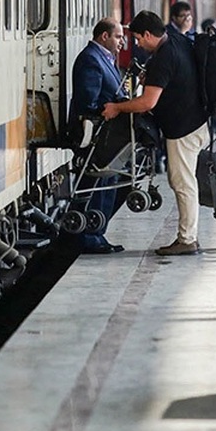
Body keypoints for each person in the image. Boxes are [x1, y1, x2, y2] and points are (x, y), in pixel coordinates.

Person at [101, 10, 207, 256]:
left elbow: (147, 102)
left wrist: (117, 107)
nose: (138, 44)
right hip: (193, 122)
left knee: (182, 183)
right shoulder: (175, 40)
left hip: (183, 129)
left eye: (138, 39)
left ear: (148, 34)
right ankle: (188, 236)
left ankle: (188, 239)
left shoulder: (163, 58)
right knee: (181, 181)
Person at [67, 17, 130, 255]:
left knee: (107, 184)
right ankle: (90, 237)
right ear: (104, 36)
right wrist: (112, 107)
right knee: (96, 185)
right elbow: (88, 101)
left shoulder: (105, 59)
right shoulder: (91, 60)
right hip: (95, 135)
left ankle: (97, 233)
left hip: (108, 137)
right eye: (118, 36)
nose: (121, 41)